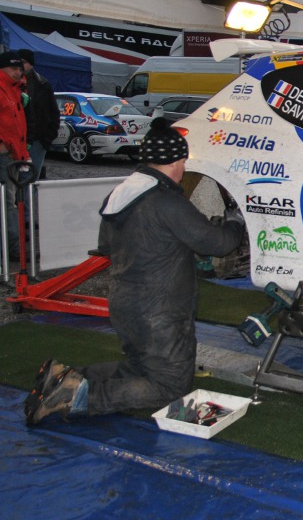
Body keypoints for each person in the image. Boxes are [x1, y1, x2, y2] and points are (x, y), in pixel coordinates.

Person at [25, 117, 245, 425]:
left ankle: (66, 377)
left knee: (140, 367)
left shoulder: (122, 192)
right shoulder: (166, 201)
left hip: (125, 303)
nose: (184, 168)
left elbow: (106, 246)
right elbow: (217, 244)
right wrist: (236, 221)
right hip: (160, 312)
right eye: (183, 161)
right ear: (175, 161)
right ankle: (76, 397)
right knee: (169, 387)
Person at [0, 50, 29, 256]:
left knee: (11, 201)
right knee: (7, 202)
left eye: (20, 68)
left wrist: (22, 151)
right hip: (5, 155)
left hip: (13, 155)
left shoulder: (14, 90)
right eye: (13, 68)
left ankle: (11, 245)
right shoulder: (6, 89)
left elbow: (17, 125)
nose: (18, 72)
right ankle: (11, 247)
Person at [17, 49, 61, 181]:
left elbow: (53, 112)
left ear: (31, 64)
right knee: (13, 179)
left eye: (23, 62)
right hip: (16, 140)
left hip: (37, 140)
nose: (20, 66)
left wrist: (47, 138)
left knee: (30, 180)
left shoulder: (42, 84)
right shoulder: (11, 83)